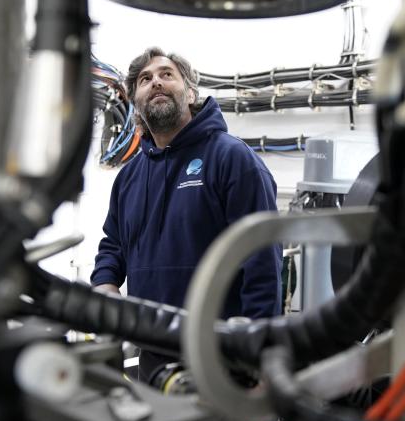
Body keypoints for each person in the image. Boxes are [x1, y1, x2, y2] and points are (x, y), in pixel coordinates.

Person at [90, 47, 282, 380]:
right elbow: (114, 245)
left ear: (190, 92)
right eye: (145, 80)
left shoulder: (232, 159)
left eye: (167, 75)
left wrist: (259, 352)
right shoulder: (129, 176)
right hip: (152, 351)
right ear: (135, 101)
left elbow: (262, 259)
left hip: (220, 354)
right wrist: (105, 284)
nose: (156, 83)